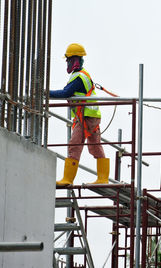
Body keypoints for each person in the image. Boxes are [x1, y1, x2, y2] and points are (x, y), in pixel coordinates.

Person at [50, 43, 109, 186]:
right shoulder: (84, 75)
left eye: (68, 60)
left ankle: (67, 179)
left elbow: (66, 93)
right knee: (95, 145)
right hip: (91, 116)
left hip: (84, 117)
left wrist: (46, 93)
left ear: (74, 60)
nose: (67, 63)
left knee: (74, 145)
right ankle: (103, 179)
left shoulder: (78, 77)